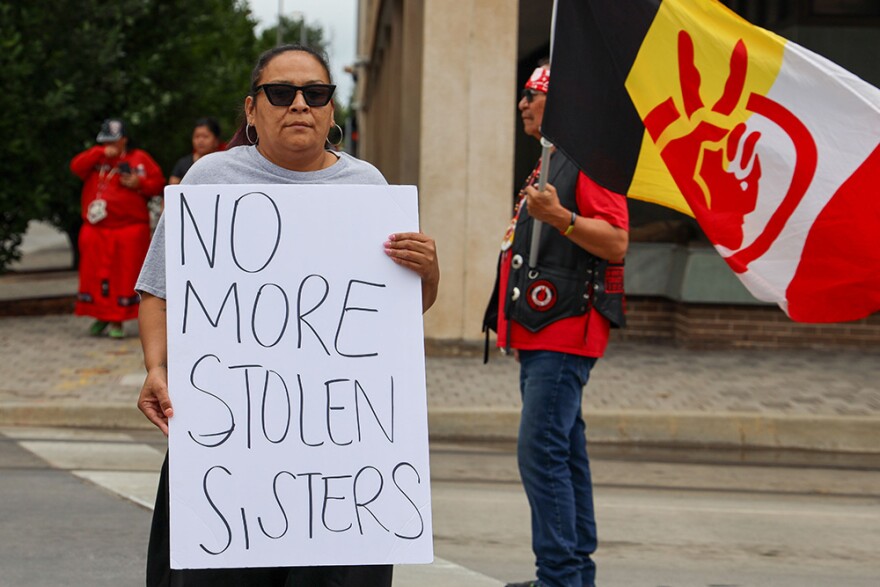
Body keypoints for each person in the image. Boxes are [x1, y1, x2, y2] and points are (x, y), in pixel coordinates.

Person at [134, 44, 440, 587]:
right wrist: (156, 368)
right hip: (224, 450)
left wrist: (428, 273)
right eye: (281, 93)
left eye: (315, 94)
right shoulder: (209, 182)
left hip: (339, 465)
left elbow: (392, 315)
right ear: (252, 109)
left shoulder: (368, 188)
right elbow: (157, 290)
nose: (299, 105)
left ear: (330, 110)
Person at [483, 64, 629, 587]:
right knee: (563, 452)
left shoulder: (590, 161)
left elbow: (615, 241)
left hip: (566, 332)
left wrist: (560, 217)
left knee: (541, 452)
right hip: (544, 332)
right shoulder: (552, 160)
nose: (522, 103)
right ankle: (570, 573)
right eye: (522, 94)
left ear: (560, 103)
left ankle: (561, 577)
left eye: (533, 94)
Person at [70, 118, 165, 338]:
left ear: (124, 139)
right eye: (106, 140)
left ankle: (117, 321)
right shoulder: (96, 158)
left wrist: (138, 183)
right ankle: (101, 316)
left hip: (128, 229)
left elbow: (158, 183)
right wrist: (98, 153)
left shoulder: (139, 158)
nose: (110, 144)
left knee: (123, 276)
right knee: (95, 275)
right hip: (97, 229)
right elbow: (75, 167)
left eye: (114, 140)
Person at [168, 117, 223, 184]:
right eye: (197, 136)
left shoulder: (222, 164)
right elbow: (173, 185)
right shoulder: (183, 163)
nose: (200, 141)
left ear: (216, 140)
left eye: (205, 136)